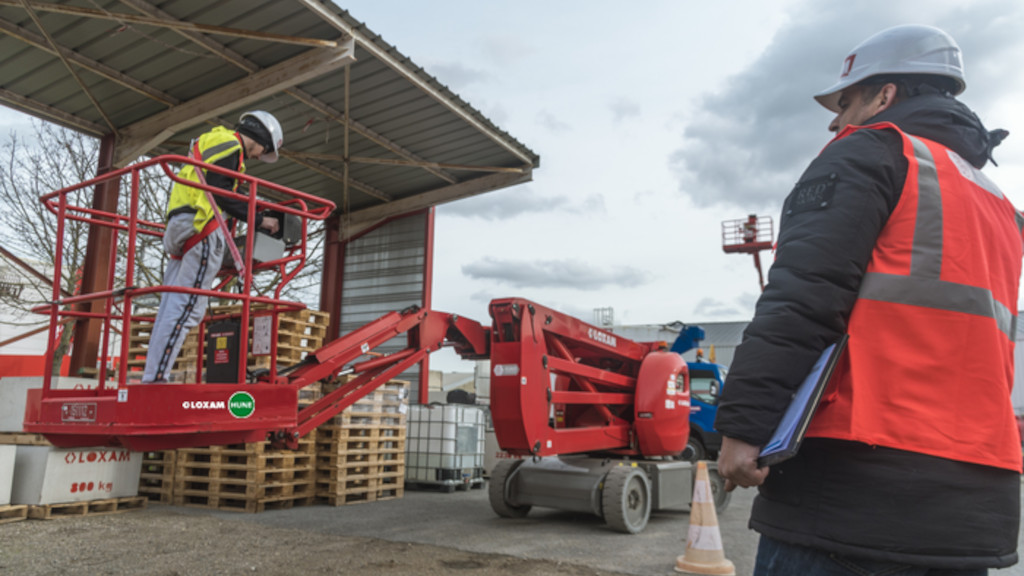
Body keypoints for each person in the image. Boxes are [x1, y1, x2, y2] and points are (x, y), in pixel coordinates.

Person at [715, 24, 1022, 575]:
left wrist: (743, 428)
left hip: (853, 484)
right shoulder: (999, 204)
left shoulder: (870, 152)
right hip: (974, 497)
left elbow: (801, 301)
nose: (834, 120)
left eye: (847, 100)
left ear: (886, 96)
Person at [142, 110, 284, 383]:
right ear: (258, 138)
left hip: (180, 225)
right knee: (188, 308)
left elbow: (219, 185)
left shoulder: (211, 141)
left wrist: (245, 200)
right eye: (262, 150)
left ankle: (152, 373)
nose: (257, 156)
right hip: (201, 226)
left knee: (170, 305)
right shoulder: (232, 146)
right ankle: (155, 380)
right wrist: (259, 219)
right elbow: (220, 190)